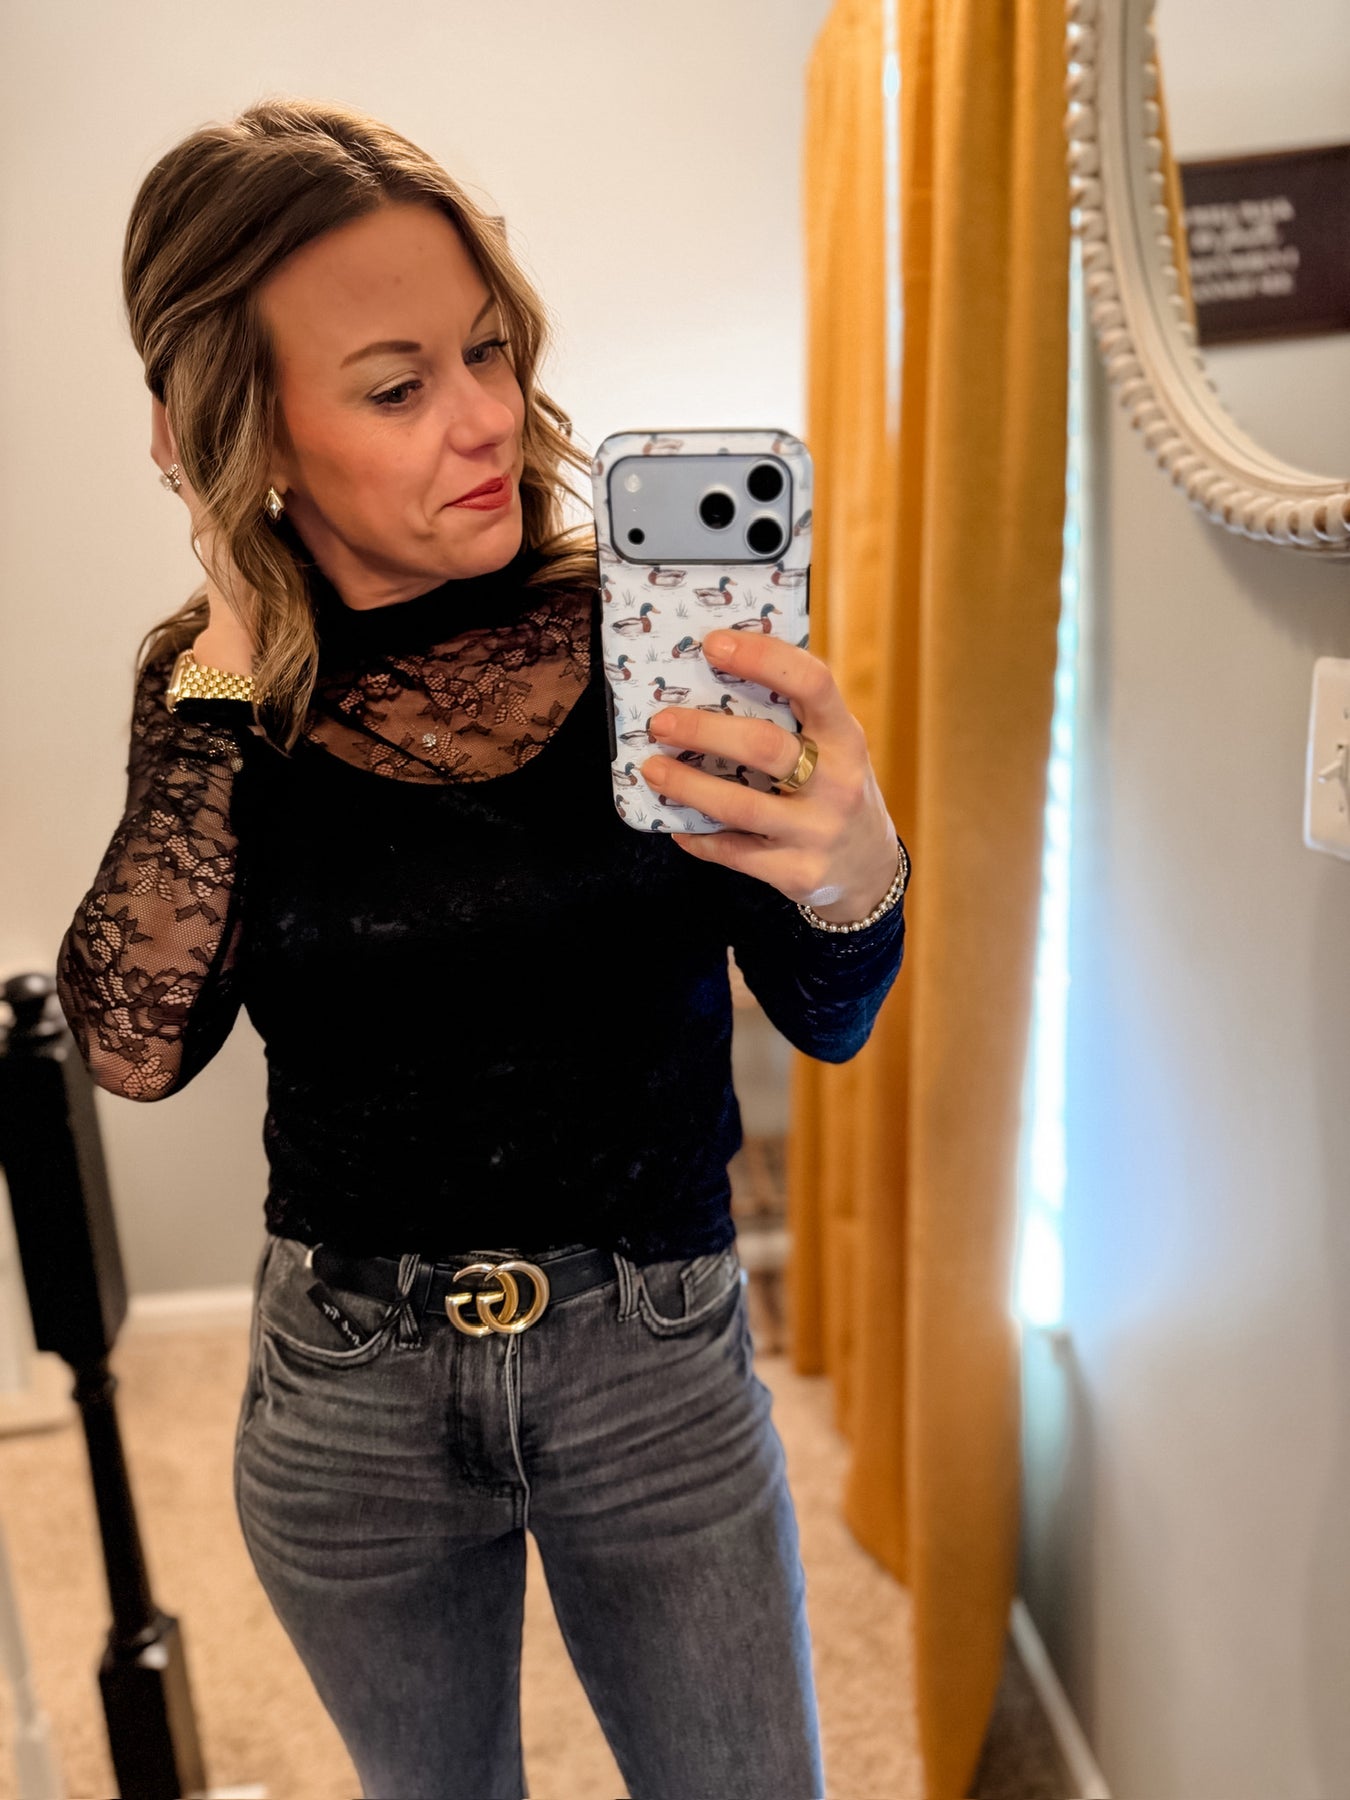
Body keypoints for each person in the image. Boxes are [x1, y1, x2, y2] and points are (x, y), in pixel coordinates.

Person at [54, 98, 910, 1800]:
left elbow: (826, 1017)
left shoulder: (650, 639)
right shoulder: (213, 691)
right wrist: (231, 640)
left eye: (489, 350)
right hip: (348, 1391)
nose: (485, 419)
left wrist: (859, 868)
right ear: (239, 426)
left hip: (654, 1361)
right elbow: (134, 1046)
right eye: (396, 387)